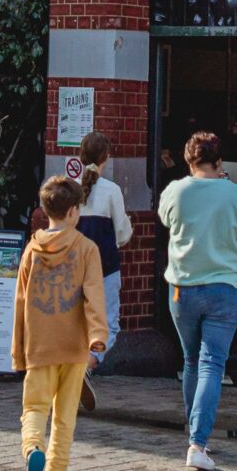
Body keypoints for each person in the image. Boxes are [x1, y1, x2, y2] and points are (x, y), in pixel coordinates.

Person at [156, 130, 237, 471]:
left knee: (191, 360)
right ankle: (198, 442)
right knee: (212, 364)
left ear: (188, 160)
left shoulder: (174, 191)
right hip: (225, 288)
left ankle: (195, 436)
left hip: (182, 288)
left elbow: (165, 219)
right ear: (219, 162)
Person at [13, 176, 108, 471]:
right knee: (65, 414)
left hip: (39, 343)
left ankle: (33, 450)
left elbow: (21, 300)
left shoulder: (32, 250)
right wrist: (98, 336)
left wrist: (18, 349)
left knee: (35, 408)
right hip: (75, 344)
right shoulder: (87, 249)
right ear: (73, 211)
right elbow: (94, 296)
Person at [72, 130, 133, 414]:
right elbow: (122, 233)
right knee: (107, 325)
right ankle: (86, 366)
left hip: (72, 267)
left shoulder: (66, 186)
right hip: (105, 266)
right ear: (106, 157)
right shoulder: (112, 191)